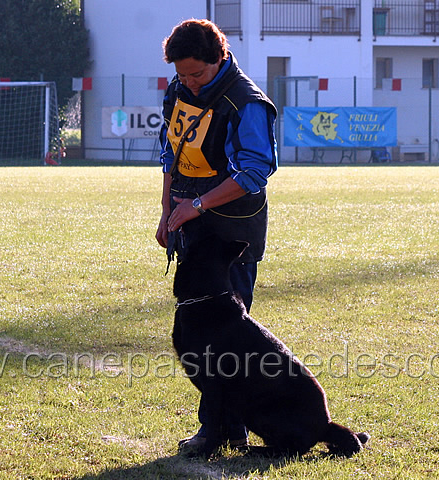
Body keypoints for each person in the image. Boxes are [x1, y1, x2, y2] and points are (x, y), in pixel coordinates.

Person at [154, 19, 278, 451]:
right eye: (181, 74)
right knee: (197, 334)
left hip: (230, 231)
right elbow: (171, 153)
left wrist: (198, 205)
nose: (188, 82)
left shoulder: (246, 102)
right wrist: (167, 210)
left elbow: (256, 171)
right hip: (190, 221)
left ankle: (224, 429)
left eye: (197, 74)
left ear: (220, 57)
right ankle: (222, 428)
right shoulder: (178, 90)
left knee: (225, 336)